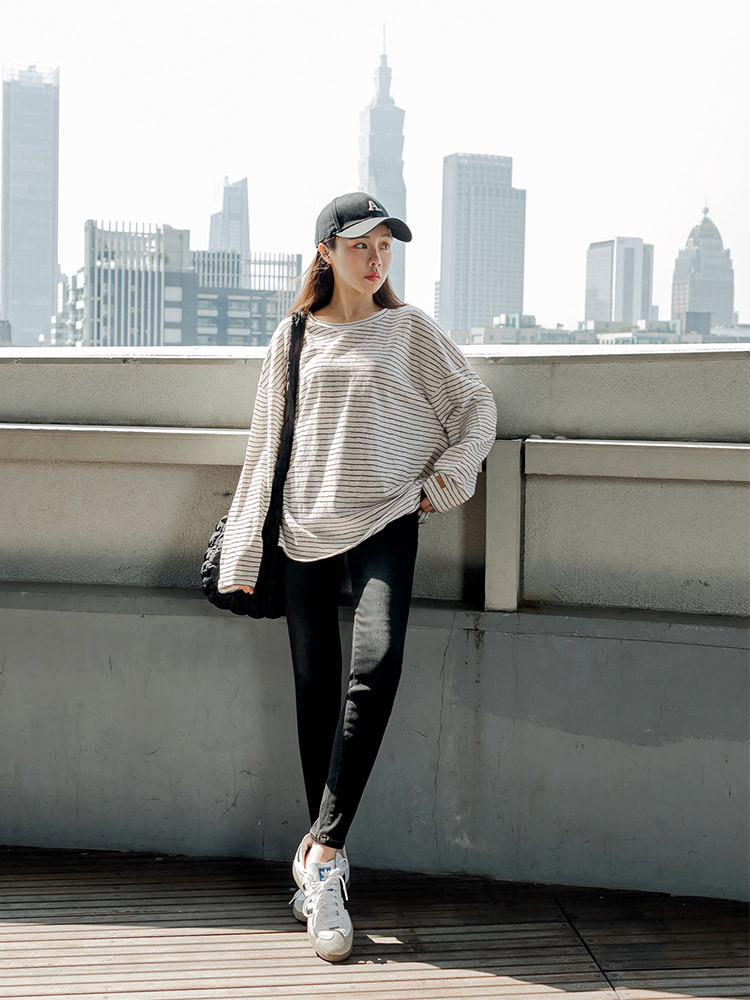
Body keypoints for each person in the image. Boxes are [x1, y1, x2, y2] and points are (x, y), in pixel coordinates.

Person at [216, 192, 497, 963]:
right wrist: (245, 551)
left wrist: (448, 477)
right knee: (316, 690)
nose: (376, 260)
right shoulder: (293, 337)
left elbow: (475, 407)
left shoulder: (410, 331)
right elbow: (266, 446)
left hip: (388, 518)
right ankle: (325, 881)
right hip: (303, 527)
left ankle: (323, 850)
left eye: (385, 247)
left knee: (376, 666)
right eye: (360, 246)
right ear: (326, 253)